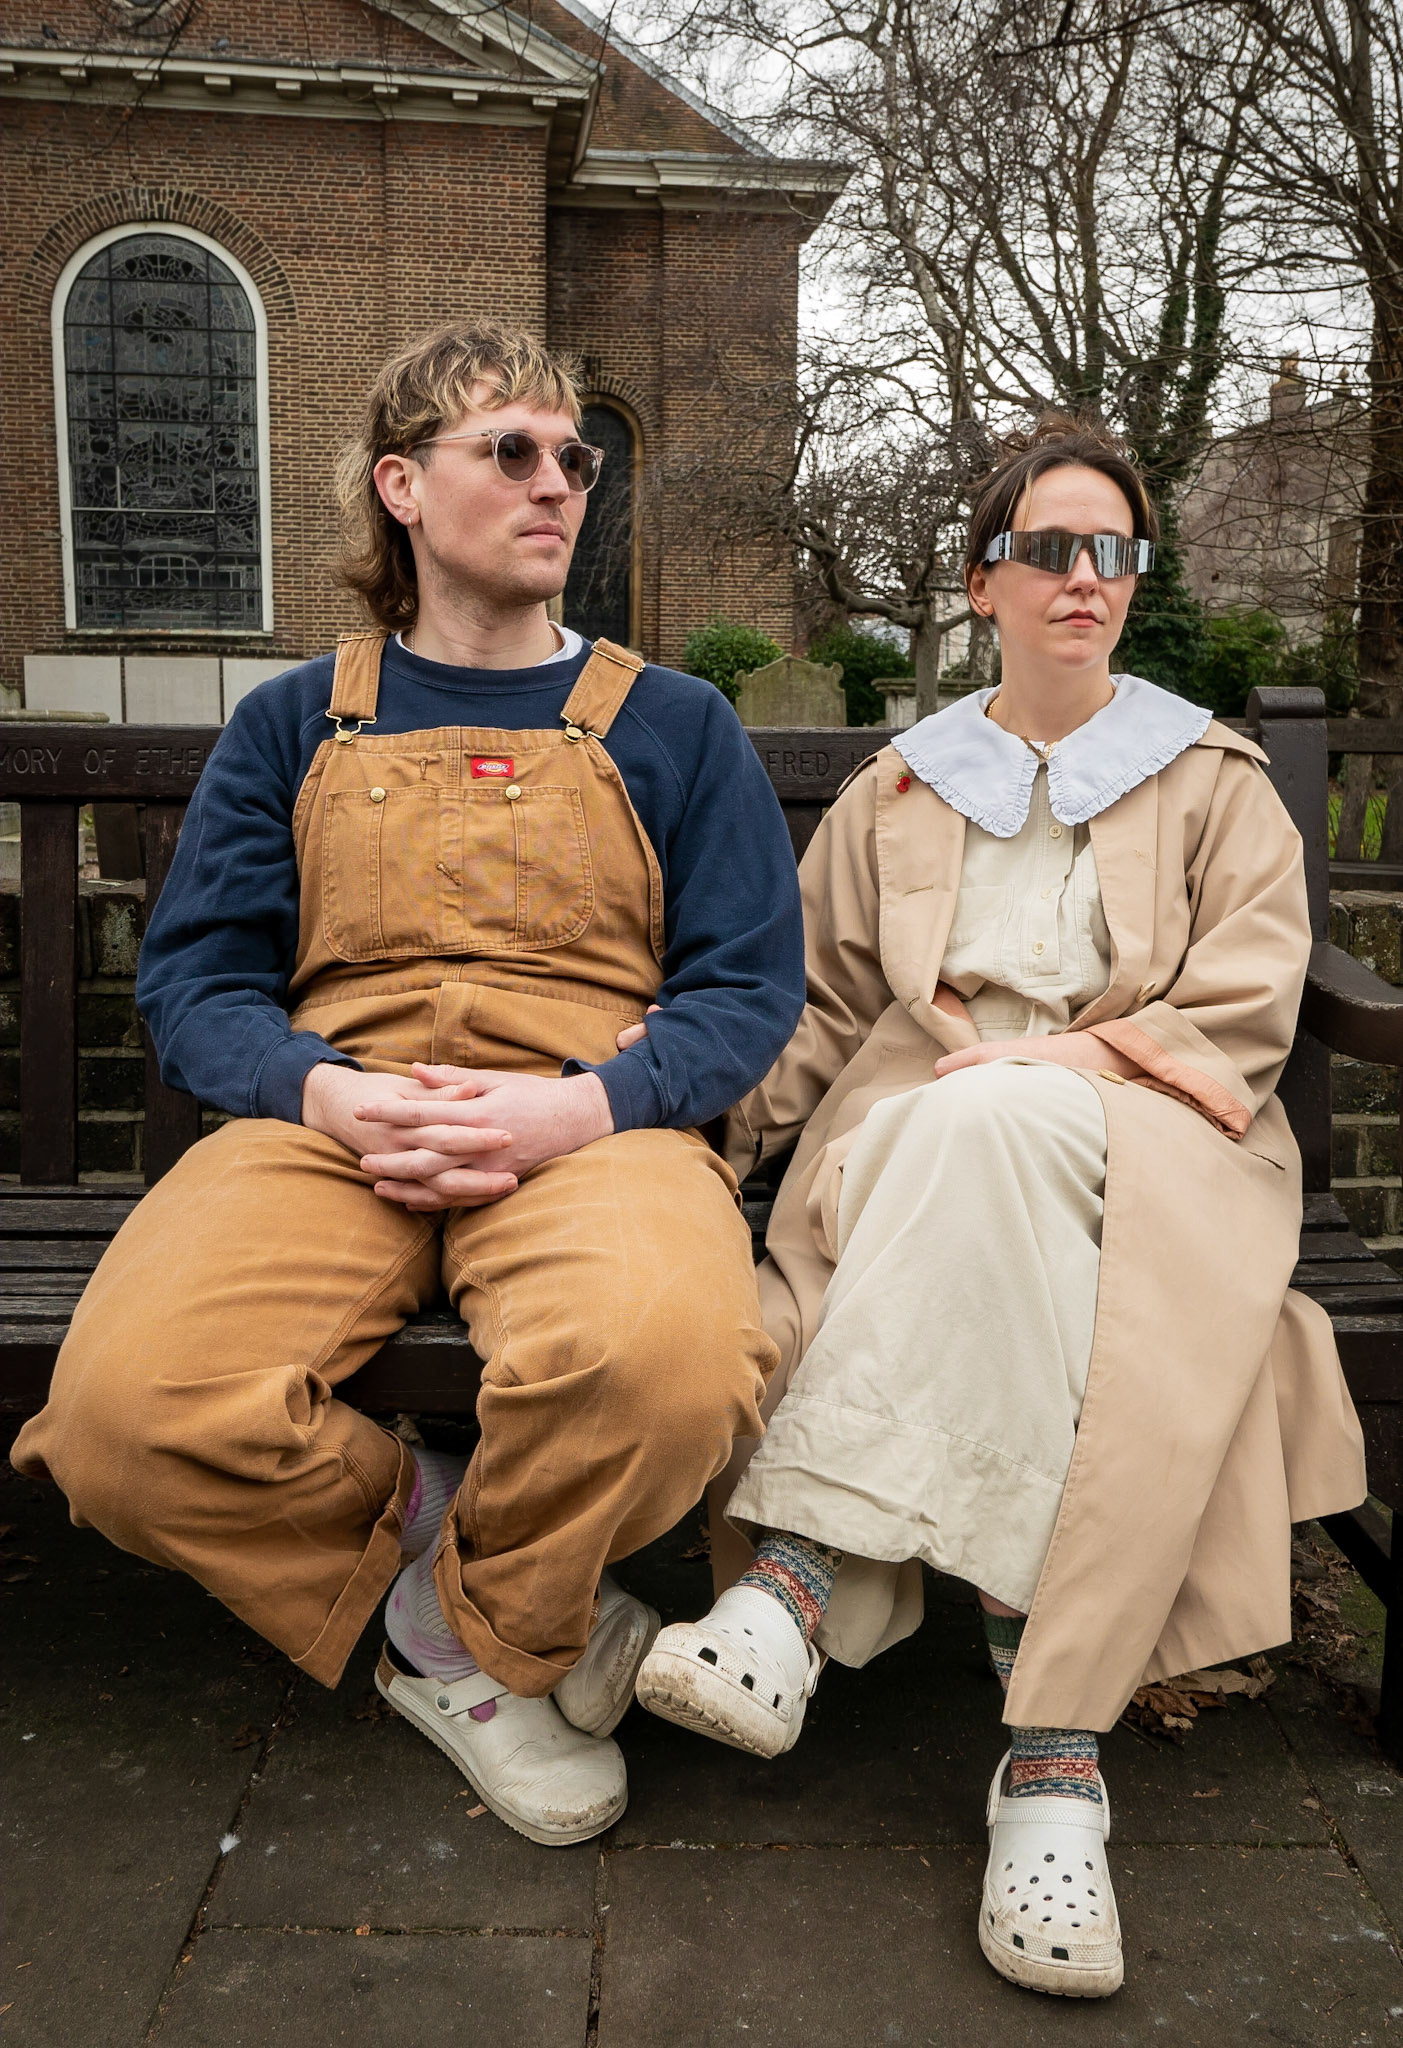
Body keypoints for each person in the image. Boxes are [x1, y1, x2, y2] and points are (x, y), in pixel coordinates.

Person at [13, 320, 805, 1849]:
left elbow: (746, 989)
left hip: (592, 1122)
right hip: (336, 1122)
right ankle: (468, 1570)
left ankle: (463, 1647)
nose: (558, 482)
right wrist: (322, 1093)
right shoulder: (297, 718)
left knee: (671, 1373)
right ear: (399, 484)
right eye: (509, 450)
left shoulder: (675, 724)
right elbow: (193, 982)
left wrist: (581, 1107)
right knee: (118, 1418)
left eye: (574, 456)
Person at [634, 415, 1367, 1993]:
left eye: (1114, 551)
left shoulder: (1214, 780)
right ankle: (1050, 1766)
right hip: (918, 1137)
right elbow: (818, 1009)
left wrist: (1066, 1060)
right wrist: (687, 1140)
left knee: (991, 1109)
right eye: (1050, 548)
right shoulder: (904, 792)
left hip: (1157, 1139)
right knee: (958, 1128)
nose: (1085, 579)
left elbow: (1245, 1004)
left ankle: (791, 1588)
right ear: (985, 582)